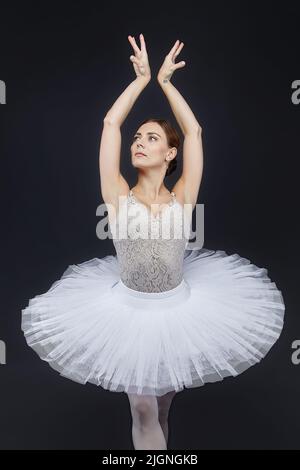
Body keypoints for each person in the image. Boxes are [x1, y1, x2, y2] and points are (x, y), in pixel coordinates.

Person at [21, 34, 285, 450]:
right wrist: (140, 81)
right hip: (128, 314)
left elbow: (194, 131)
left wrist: (166, 83)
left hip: (178, 311)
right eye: (138, 137)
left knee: (161, 406)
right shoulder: (117, 195)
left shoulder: (183, 197)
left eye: (151, 138)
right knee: (142, 409)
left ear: (170, 154)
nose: (139, 142)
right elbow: (110, 124)